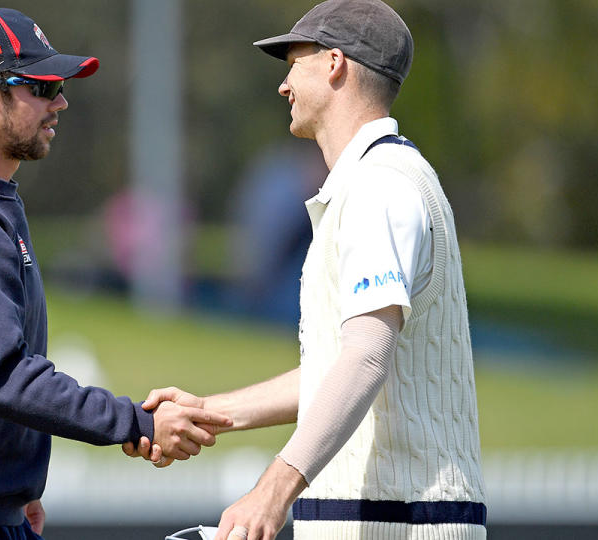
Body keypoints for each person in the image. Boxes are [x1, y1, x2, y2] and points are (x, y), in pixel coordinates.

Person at [0, 7, 230, 540]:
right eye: (40, 86)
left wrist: (18, 489)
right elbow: (4, 376)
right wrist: (139, 423)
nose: (60, 102)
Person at [127, 1, 487, 539]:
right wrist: (209, 411)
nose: (283, 85)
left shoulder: (378, 187)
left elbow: (367, 357)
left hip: (398, 525)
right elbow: (339, 368)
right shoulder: (375, 181)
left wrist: (272, 491)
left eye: (294, 62)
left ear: (335, 64)